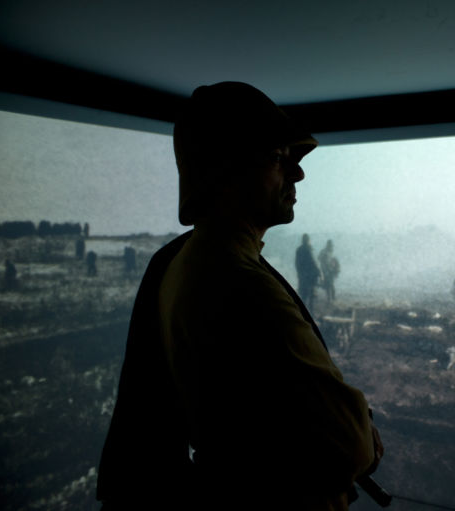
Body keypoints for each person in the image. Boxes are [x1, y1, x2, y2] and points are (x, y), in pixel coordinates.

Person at [97, 82, 383, 510]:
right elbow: (351, 445)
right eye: (276, 158)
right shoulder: (239, 282)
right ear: (224, 172)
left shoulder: (185, 261)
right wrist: (360, 429)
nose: (298, 173)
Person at [296, 233, 322, 313]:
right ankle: (310, 313)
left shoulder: (299, 250)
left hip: (303, 277)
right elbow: (313, 262)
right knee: (310, 296)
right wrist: (319, 273)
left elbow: (297, 264)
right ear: (308, 240)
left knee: (304, 296)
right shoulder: (308, 249)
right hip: (310, 277)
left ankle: (303, 313)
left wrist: (300, 274)